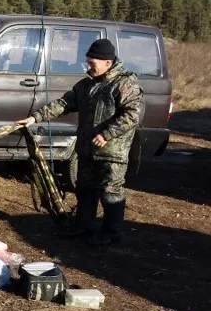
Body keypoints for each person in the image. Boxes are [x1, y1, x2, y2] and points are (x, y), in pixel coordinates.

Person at [16, 38, 144, 246]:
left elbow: (133, 115)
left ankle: (111, 234)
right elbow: (64, 103)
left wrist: (107, 134)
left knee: (111, 192)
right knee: (85, 190)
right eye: (88, 62)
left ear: (107, 63)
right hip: (86, 149)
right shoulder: (85, 86)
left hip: (111, 152)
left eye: (92, 63)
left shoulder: (124, 84)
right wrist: (34, 117)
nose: (88, 67)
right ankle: (83, 227)